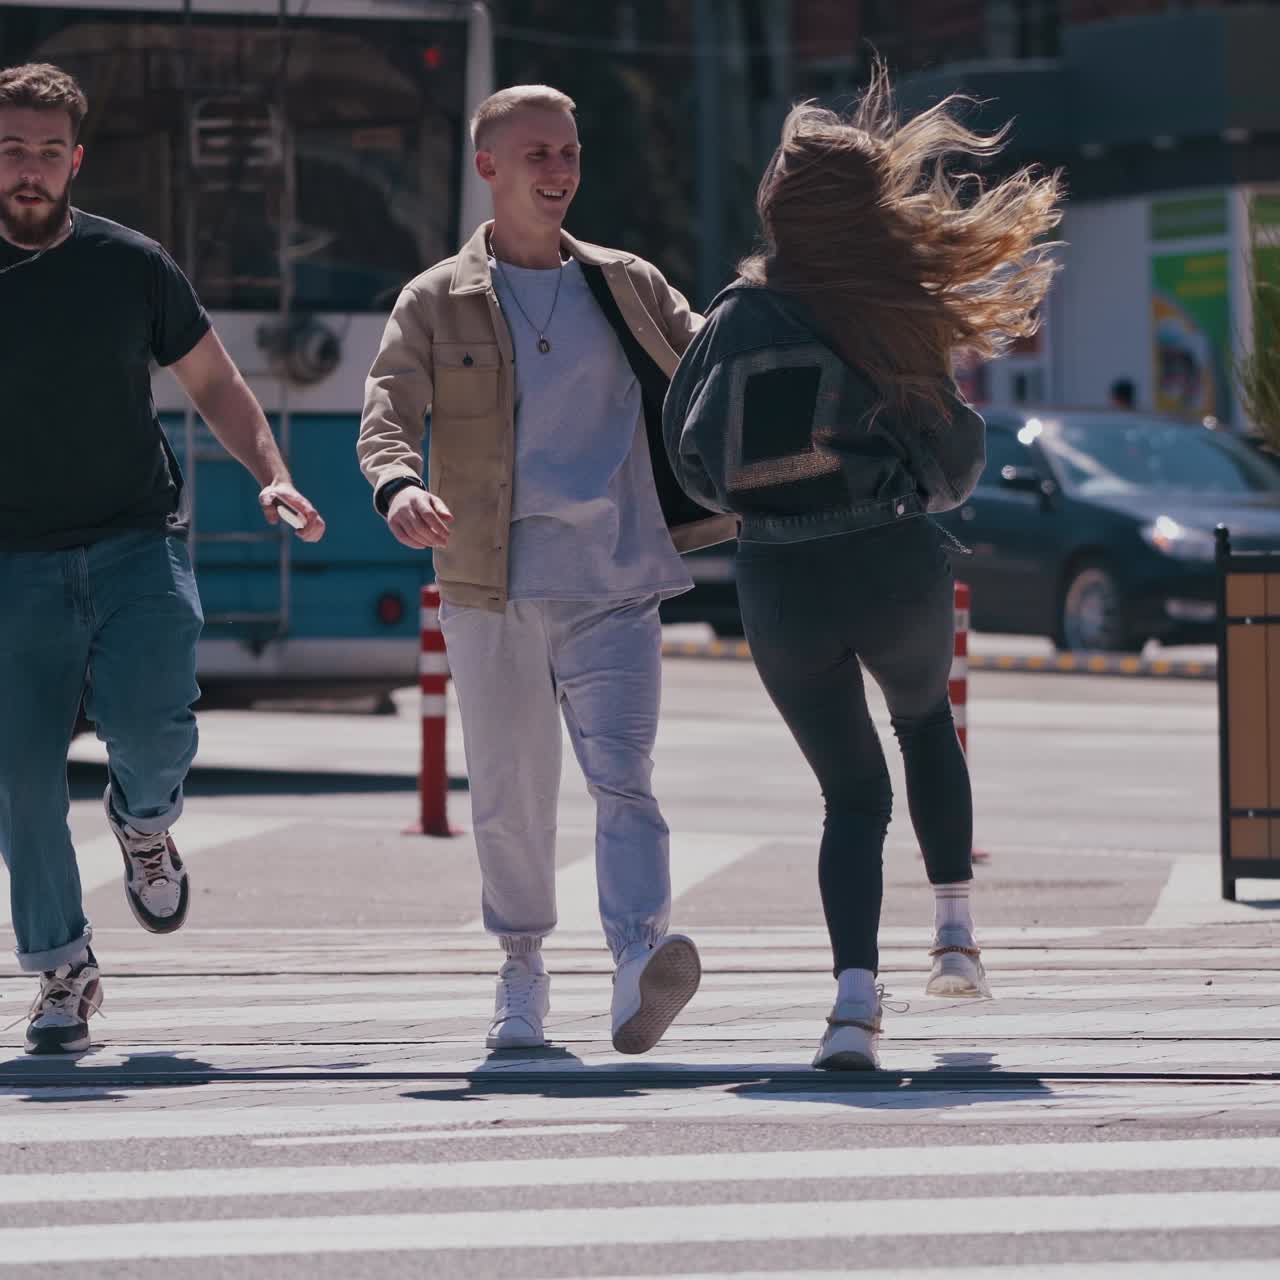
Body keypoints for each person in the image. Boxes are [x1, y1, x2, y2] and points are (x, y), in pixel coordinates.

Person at [664, 65, 1062, 1070]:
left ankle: (851, 1002)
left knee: (850, 795)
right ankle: (955, 934)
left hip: (777, 586)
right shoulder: (891, 313)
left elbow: (685, 457)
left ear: (777, 209)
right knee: (924, 722)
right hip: (889, 561)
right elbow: (955, 459)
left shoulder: (732, 319)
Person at [359, 85, 735, 1055]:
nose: (558, 170)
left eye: (567, 151)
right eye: (536, 154)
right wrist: (398, 485)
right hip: (490, 583)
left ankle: (634, 959)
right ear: (488, 167)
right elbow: (389, 409)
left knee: (624, 779)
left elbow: (710, 362)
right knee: (510, 795)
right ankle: (520, 965)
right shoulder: (436, 299)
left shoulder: (628, 282)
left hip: (615, 575)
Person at [0, 63, 326, 1054]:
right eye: (12, 148)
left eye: (49, 152)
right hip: (12, 562)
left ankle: (144, 820)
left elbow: (215, 380)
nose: (30, 170)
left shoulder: (128, 263)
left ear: (75, 160)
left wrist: (272, 470)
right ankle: (62, 970)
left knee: (154, 726)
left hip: (135, 542)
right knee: (19, 782)